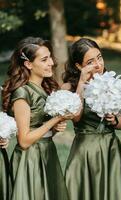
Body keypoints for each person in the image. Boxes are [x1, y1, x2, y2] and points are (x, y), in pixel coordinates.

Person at [62, 38, 121, 200]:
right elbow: (76, 117)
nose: (98, 64)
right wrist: (81, 82)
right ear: (79, 66)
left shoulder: (112, 83)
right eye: (90, 61)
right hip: (85, 150)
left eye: (99, 57)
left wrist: (114, 120)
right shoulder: (69, 88)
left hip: (110, 148)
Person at [1, 37, 70, 200]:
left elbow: (39, 130)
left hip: (47, 152)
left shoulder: (44, 89)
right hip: (30, 159)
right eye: (44, 59)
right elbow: (24, 140)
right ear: (28, 64)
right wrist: (54, 121)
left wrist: (53, 130)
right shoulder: (22, 93)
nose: (51, 63)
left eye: (50, 57)